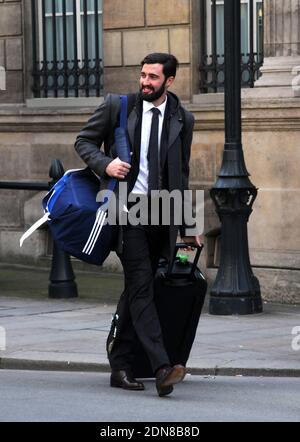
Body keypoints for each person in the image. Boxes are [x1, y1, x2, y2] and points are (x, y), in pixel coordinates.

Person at [75, 53, 201, 397]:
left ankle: (121, 365)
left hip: (164, 213)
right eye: (143, 75)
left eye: (153, 78)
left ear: (169, 81)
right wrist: (106, 164)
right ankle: (162, 367)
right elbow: (83, 141)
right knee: (141, 284)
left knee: (141, 289)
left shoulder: (183, 119)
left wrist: (189, 225)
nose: (145, 82)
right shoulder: (119, 106)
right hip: (127, 211)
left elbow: (183, 174)